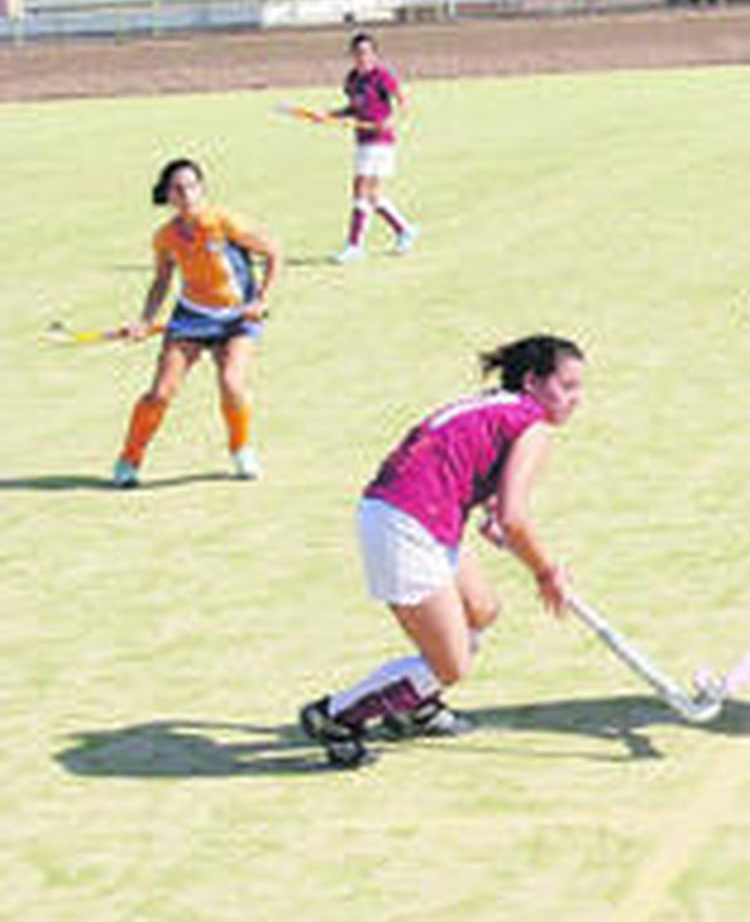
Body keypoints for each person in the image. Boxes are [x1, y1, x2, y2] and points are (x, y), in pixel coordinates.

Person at [299, 334, 585, 768]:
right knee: (450, 664)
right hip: (407, 526)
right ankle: (336, 715)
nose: (575, 400)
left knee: (481, 610)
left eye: (579, 388)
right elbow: (514, 517)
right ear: (531, 381)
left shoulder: (496, 405)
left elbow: (460, 460)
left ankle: (416, 702)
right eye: (566, 387)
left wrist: (484, 508)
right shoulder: (533, 425)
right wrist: (546, 572)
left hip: (418, 515)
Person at [112, 158, 280, 488]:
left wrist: (260, 300)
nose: (187, 193)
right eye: (178, 188)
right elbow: (161, 281)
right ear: (168, 195)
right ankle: (129, 460)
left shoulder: (224, 222)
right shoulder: (165, 237)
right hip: (190, 318)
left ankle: (240, 448)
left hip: (236, 318)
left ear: (202, 189)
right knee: (159, 394)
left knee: (232, 383)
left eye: (192, 186)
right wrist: (145, 320)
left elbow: (274, 253)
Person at [329, 31, 419, 264]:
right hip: (363, 139)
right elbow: (354, 109)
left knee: (360, 189)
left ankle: (354, 245)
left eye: (367, 52)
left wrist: (392, 121)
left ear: (374, 54)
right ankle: (404, 230)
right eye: (358, 53)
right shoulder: (351, 80)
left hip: (381, 141)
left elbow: (403, 102)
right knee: (372, 195)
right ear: (352, 55)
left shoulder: (381, 76)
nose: (363, 57)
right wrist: (331, 115)